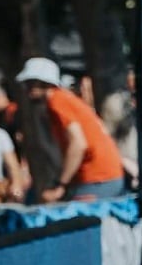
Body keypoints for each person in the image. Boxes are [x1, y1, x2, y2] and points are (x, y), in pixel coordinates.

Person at [15, 57, 124, 202]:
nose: (27, 90)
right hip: (102, 177)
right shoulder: (65, 99)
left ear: (43, 83)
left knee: (79, 222)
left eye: (29, 84)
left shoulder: (57, 101)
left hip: (97, 177)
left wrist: (61, 185)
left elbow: (78, 144)